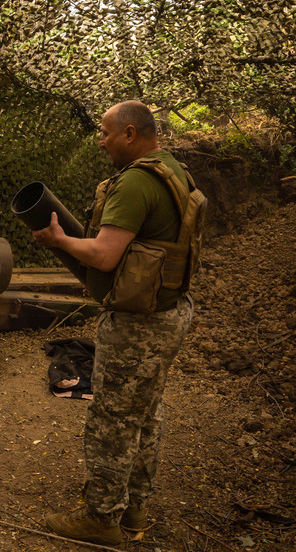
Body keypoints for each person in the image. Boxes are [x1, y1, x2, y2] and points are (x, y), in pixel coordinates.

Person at [33, 100, 205, 545]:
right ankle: (134, 509)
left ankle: (101, 519)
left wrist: (59, 239)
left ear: (130, 134)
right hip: (170, 312)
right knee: (145, 413)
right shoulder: (173, 170)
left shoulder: (134, 184)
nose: (101, 140)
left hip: (138, 326)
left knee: (112, 418)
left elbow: (105, 254)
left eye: (106, 132)